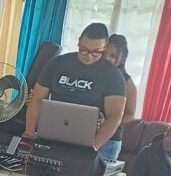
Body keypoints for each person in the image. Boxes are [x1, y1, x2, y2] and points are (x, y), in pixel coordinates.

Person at [24, 22, 127, 153]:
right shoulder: (58, 64)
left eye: (96, 52)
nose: (88, 56)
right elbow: (37, 99)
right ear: (79, 41)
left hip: (92, 139)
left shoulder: (113, 76)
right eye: (84, 50)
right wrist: (29, 131)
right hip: (53, 134)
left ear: (105, 46)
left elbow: (115, 116)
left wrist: (93, 146)